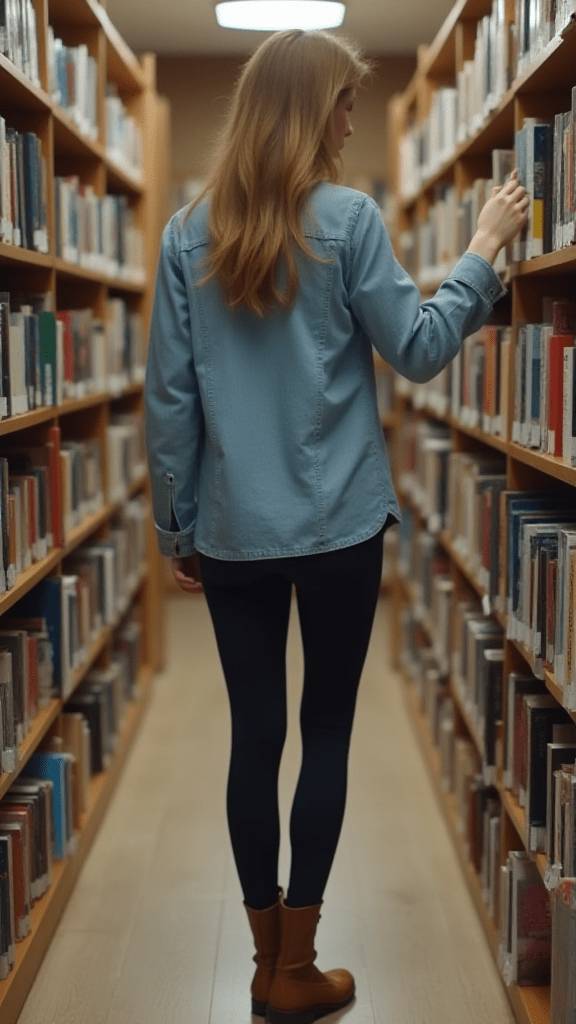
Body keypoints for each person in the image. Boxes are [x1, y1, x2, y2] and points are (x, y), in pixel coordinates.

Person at [144, 28, 528, 1024]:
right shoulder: (349, 221)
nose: (353, 122)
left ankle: (266, 956)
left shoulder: (188, 232)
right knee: (324, 732)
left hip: (231, 532)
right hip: (340, 530)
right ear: (315, 111)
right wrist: (483, 251)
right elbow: (422, 348)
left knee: (254, 736)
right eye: (346, 106)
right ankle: (294, 967)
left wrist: (177, 524)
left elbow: (170, 402)